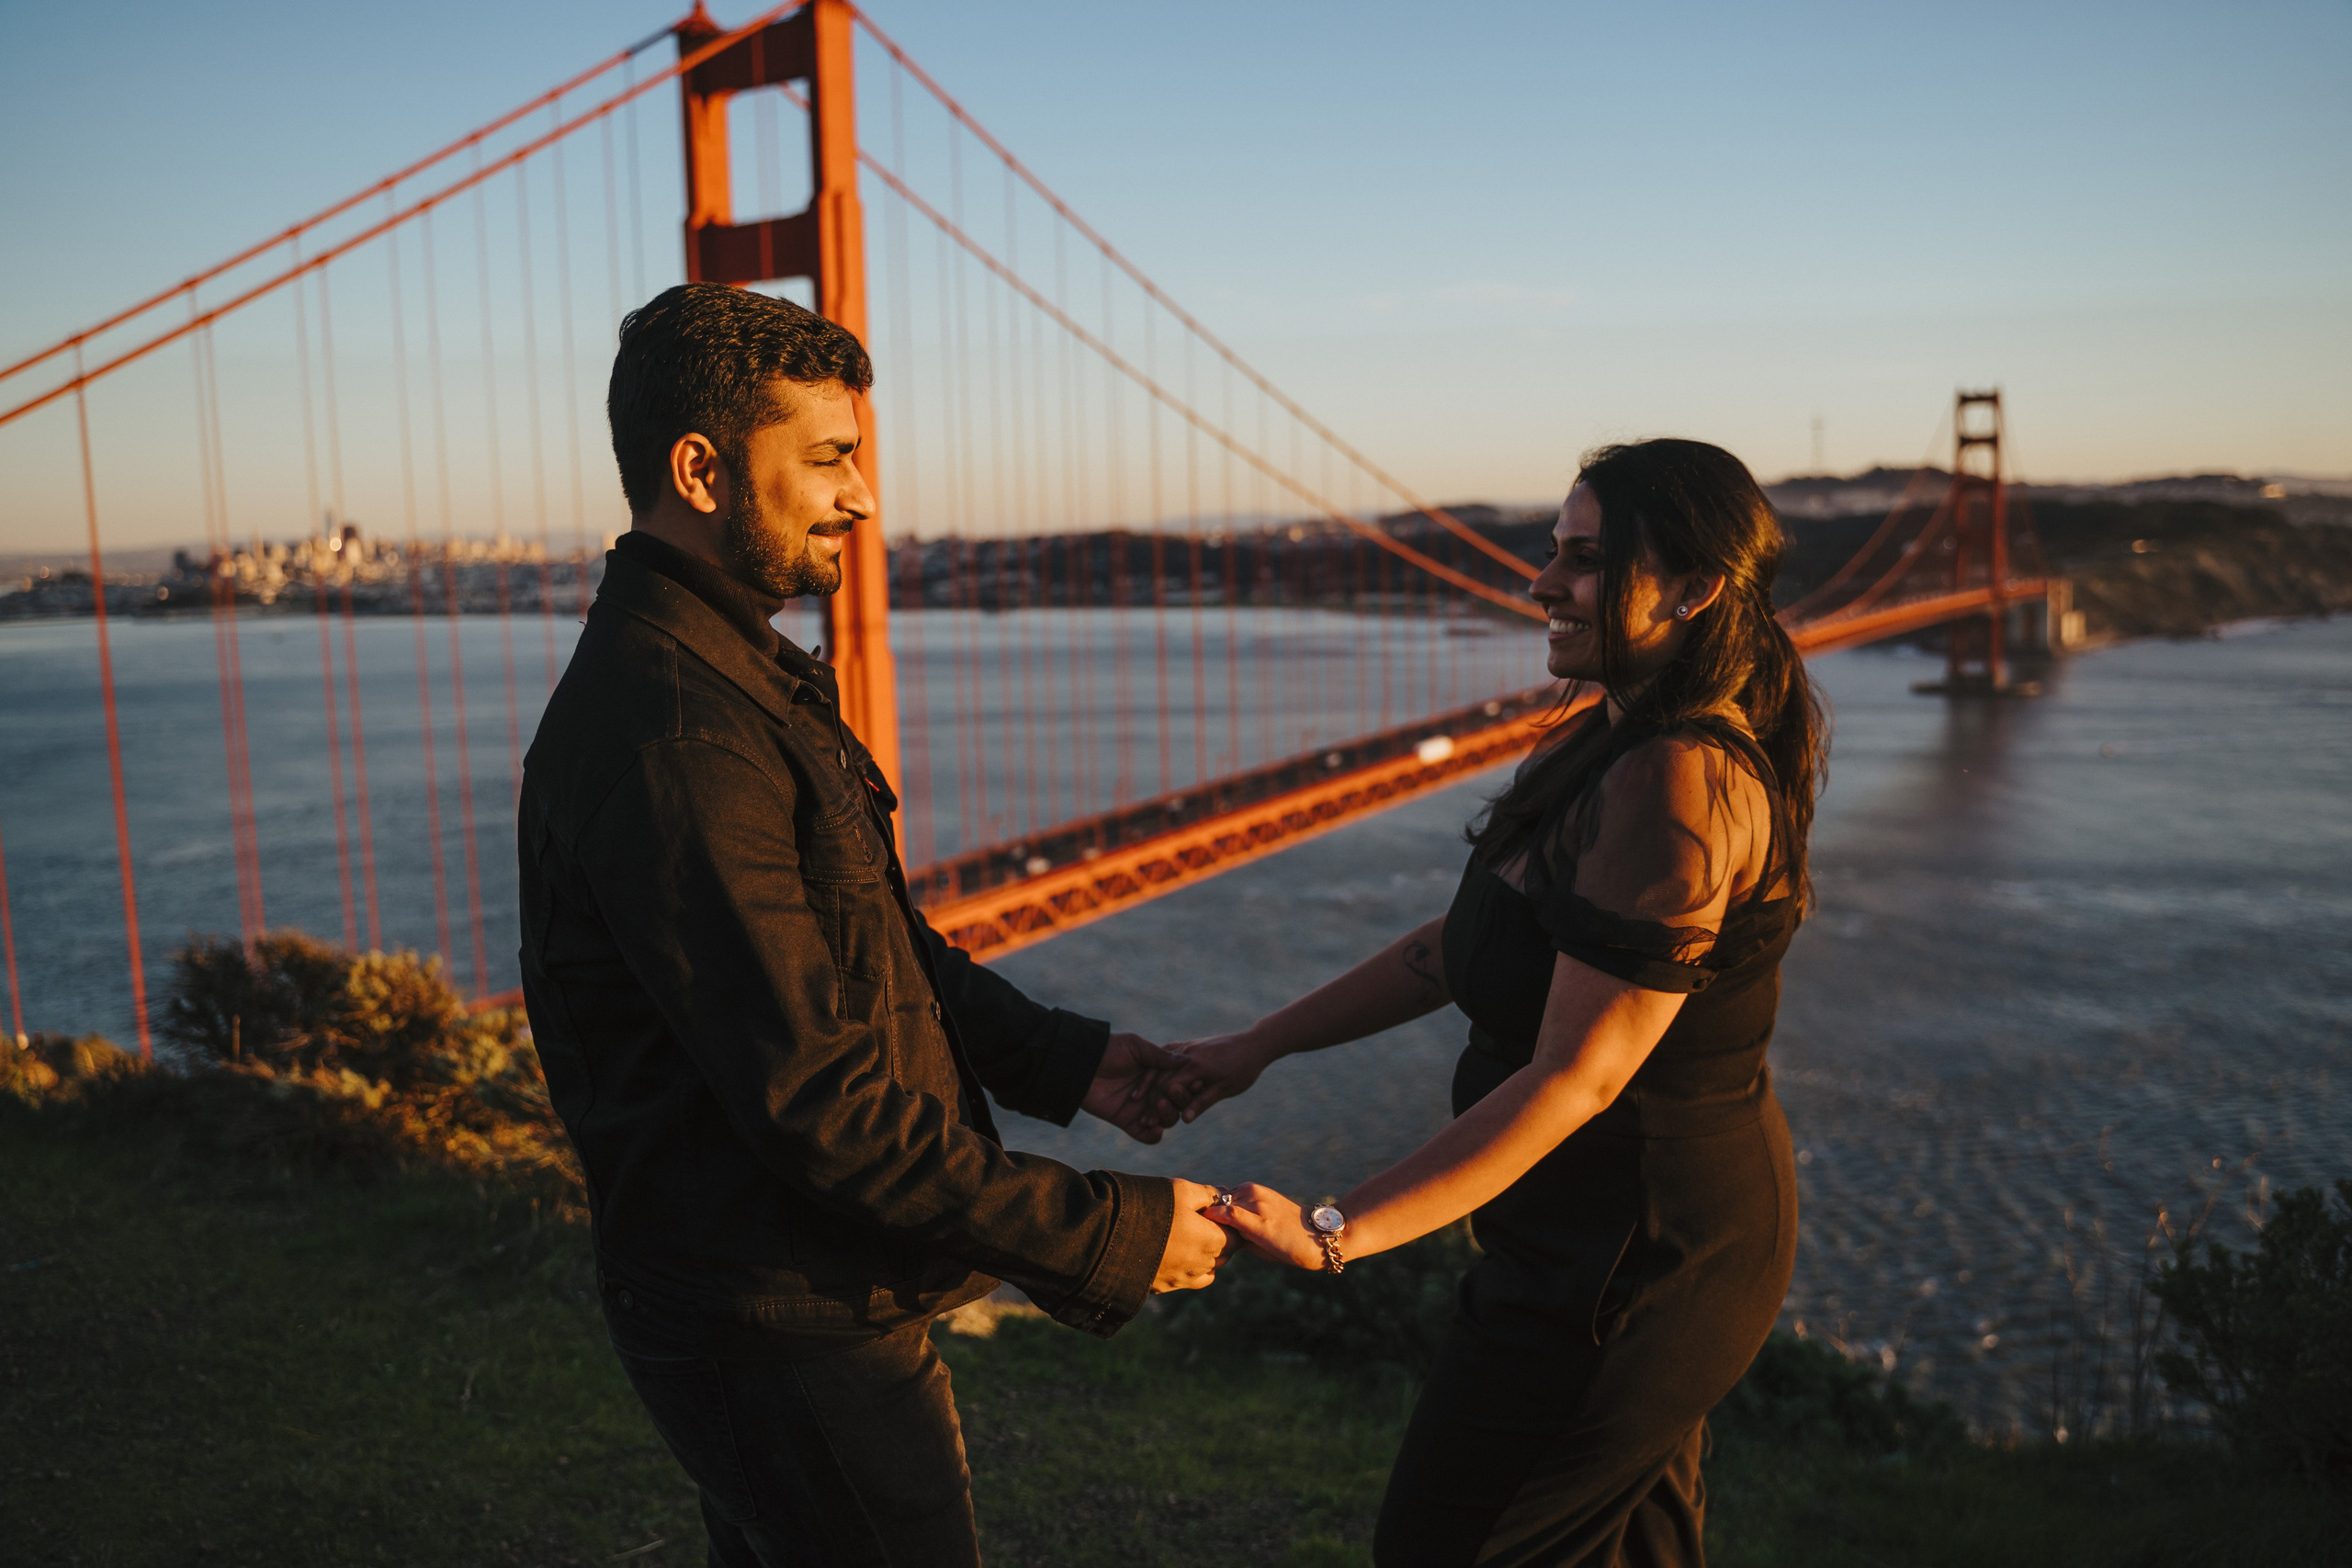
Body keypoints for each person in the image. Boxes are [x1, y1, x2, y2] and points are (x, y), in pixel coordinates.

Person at [516, 282, 1230, 1568]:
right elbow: (815, 1101)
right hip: (780, 1320)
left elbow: (870, 954)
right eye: (829, 458)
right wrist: (1106, 1235)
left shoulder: (726, 678)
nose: (861, 497)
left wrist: (1070, 1062)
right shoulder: (681, 732)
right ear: (701, 471)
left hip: (791, 1293)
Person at [1171, 439, 1826, 1566]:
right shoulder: (1606, 739)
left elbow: (1579, 1076)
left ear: (1693, 588)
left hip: (1638, 1254)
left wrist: (1336, 1232)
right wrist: (1257, 1048)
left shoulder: (1678, 778)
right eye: (1551, 551)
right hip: (1583, 1235)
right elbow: (1458, 946)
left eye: (1585, 560)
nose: (1541, 584)